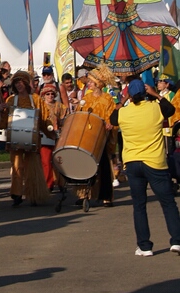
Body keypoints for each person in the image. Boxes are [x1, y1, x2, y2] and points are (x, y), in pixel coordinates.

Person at [111, 79, 180, 256]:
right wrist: (156, 95)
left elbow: (112, 118)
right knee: (168, 202)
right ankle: (177, 241)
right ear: (145, 92)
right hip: (154, 162)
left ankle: (144, 246)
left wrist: (124, 98)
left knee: (139, 205)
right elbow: (171, 110)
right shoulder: (155, 108)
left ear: (131, 96)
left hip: (133, 162)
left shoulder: (124, 113)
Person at [4, 71, 50, 207]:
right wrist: (3, 111)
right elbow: (5, 120)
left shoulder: (35, 99)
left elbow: (44, 117)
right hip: (16, 138)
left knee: (33, 165)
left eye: (21, 82)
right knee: (16, 165)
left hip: (33, 137)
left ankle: (34, 193)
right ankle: (17, 194)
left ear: (26, 83)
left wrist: (50, 129)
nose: (19, 85)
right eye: (16, 83)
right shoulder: (11, 100)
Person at [76, 65, 117, 207]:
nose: (89, 83)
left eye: (92, 82)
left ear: (99, 83)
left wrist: (110, 124)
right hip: (88, 135)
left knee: (104, 166)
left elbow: (112, 117)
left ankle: (106, 196)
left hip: (102, 136)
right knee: (85, 165)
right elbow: (80, 115)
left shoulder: (107, 99)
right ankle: (84, 194)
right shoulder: (86, 98)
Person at [39, 84, 68, 190]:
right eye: (47, 94)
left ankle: (61, 182)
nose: (50, 96)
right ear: (43, 95)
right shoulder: (40, 106)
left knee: (59, 160)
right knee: (46, 161)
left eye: (52, 94)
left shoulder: (59, 106)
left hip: (57, 136)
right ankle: (48, 184)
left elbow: (64, 119)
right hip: (44, 137)